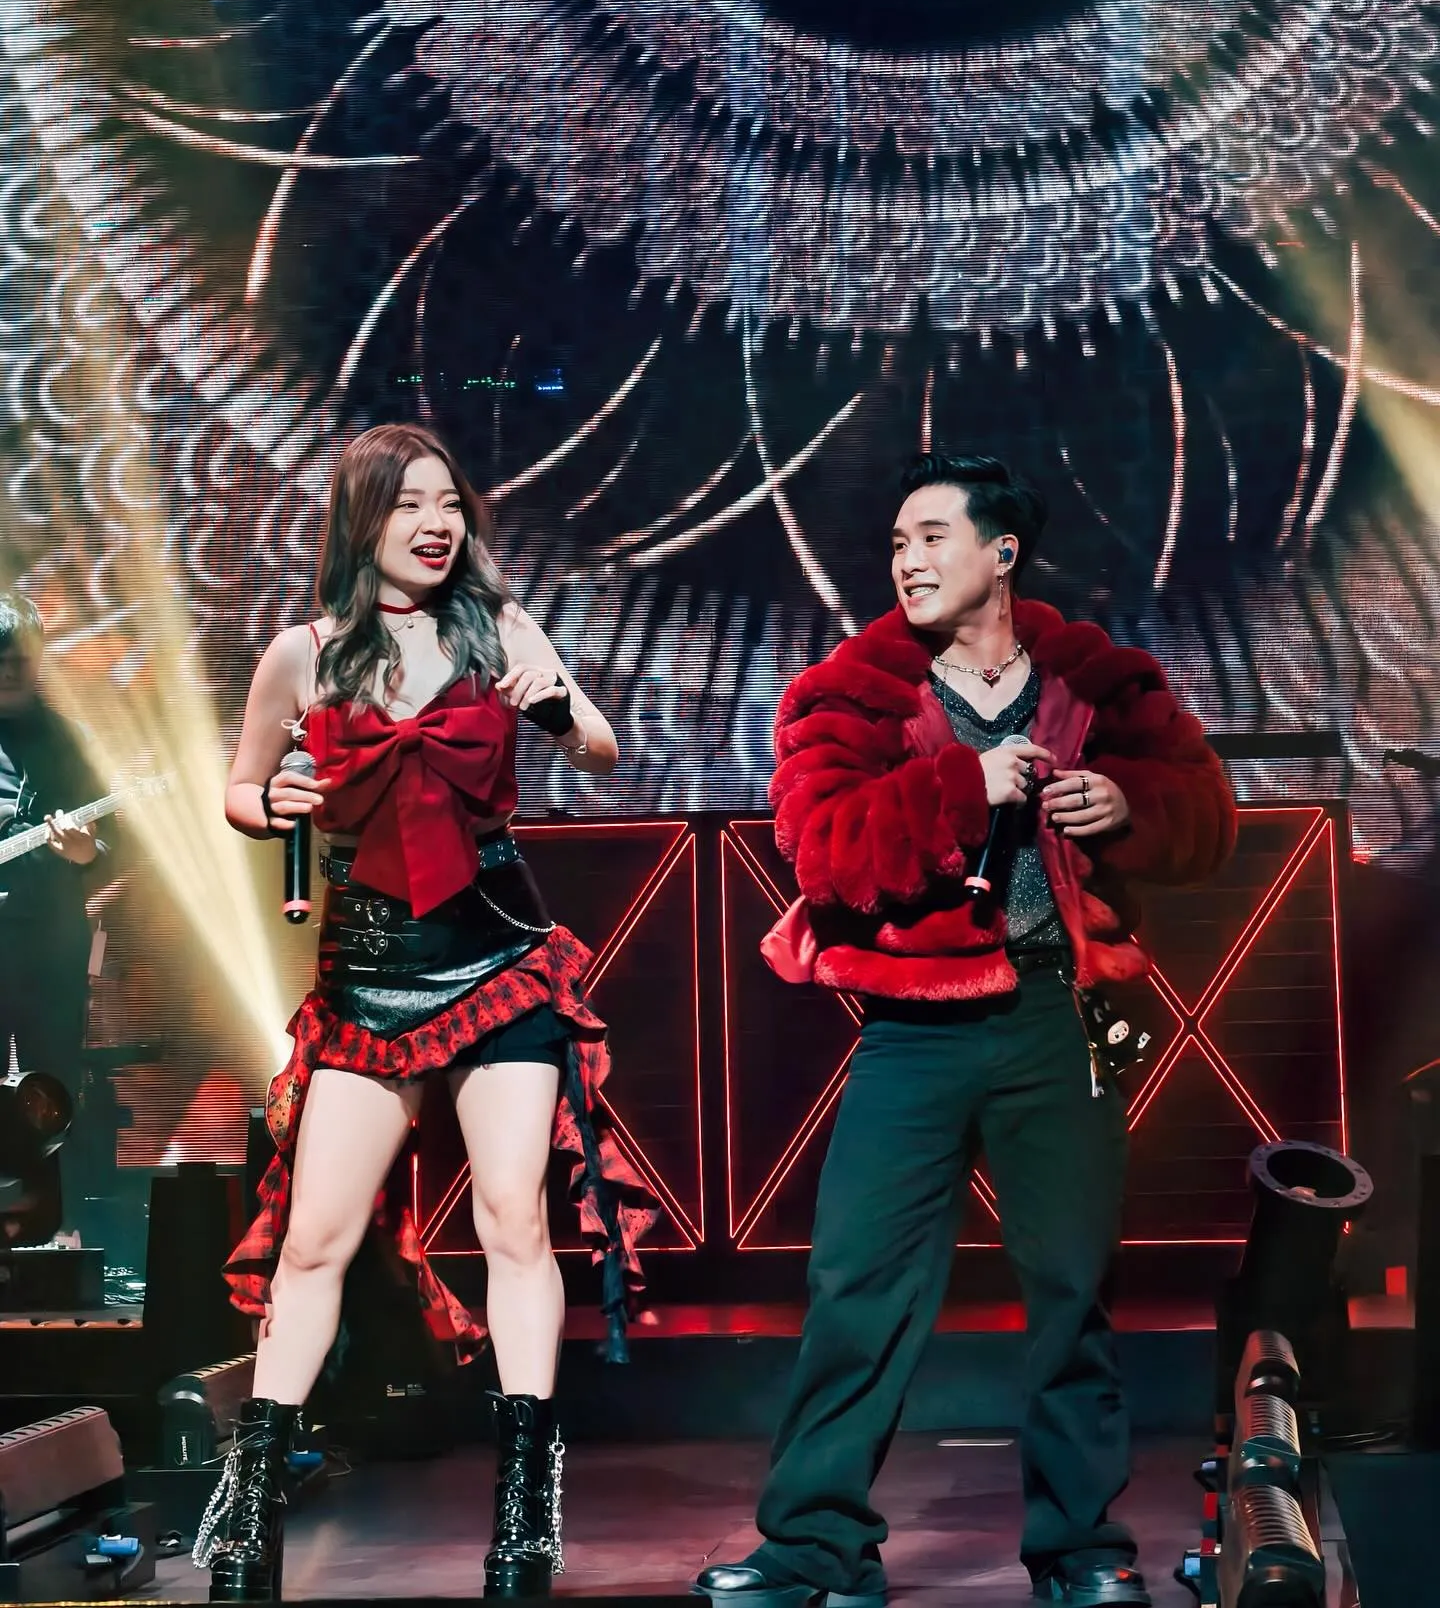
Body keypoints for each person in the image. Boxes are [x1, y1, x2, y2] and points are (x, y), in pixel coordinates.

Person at [694, 454, 1236, 1608]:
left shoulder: (1097, 682)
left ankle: (1082, 1552)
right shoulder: (849, 694)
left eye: (932, 536)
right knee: (858, 1287)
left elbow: (1206, 816)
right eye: (897, 542)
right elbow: (823, 853)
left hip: (1058, 1017)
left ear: (1003, 552)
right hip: (914, 1029)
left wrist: (1128, 806)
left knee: (1072, 1290)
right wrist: (956, 788)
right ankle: (815, 1548)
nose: (908, 559)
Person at [196, 424, 654, 1603]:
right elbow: (240, 787)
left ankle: (524, 1507)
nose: (436, 523)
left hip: (496, 955)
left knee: (512, 1217)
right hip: (369, 967)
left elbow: (602, 751)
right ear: (363, 520)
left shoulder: (497, 628)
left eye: (448, 503)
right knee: (315, 1238)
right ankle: (249, 1510)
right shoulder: (303, 653)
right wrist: (269, 798)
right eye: (408, 505)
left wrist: (560, 709)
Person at [0, 592, 103, 1124]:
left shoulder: (71, 741)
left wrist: (87, 851)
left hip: (51, 950)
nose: (9, 671)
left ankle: (51, 1180)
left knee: (53, 1096)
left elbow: (112, 845)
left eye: (21, 659)